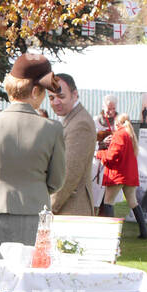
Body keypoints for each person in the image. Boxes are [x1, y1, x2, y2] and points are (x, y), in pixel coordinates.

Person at [0, 53, 66, 263]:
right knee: (28, 280)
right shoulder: (53, 129)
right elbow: (56, 181)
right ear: (36, 90)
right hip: (33, 210)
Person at [49, 73, 97, 216]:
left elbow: (70, 173)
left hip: (72, 209)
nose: (55, 102)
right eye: (51, 98)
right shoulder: (72, 119)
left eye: (61, 96)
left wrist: (50, 208)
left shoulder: (80, 123)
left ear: (75, 94)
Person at [97, 113, 147, 239]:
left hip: (118, 174)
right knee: (133, 202)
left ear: (117, 123)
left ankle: (110, 233)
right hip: (129, 175)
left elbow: (112, 157)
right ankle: (144, 232)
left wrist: (99, 153)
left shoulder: (119, 134)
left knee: (108, 202)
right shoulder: (130, 134)